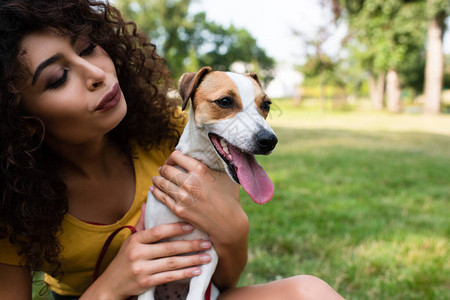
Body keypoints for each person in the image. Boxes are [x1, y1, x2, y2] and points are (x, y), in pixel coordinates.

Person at [0, 0, 345, 299]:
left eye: (89, 47)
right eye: (58, 77)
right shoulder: (11, 204)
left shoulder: (182, 129)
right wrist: (113, 285)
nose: (96, 74)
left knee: (309, 292)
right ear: (20, 117)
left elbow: (225, 279)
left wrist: (234, 228)